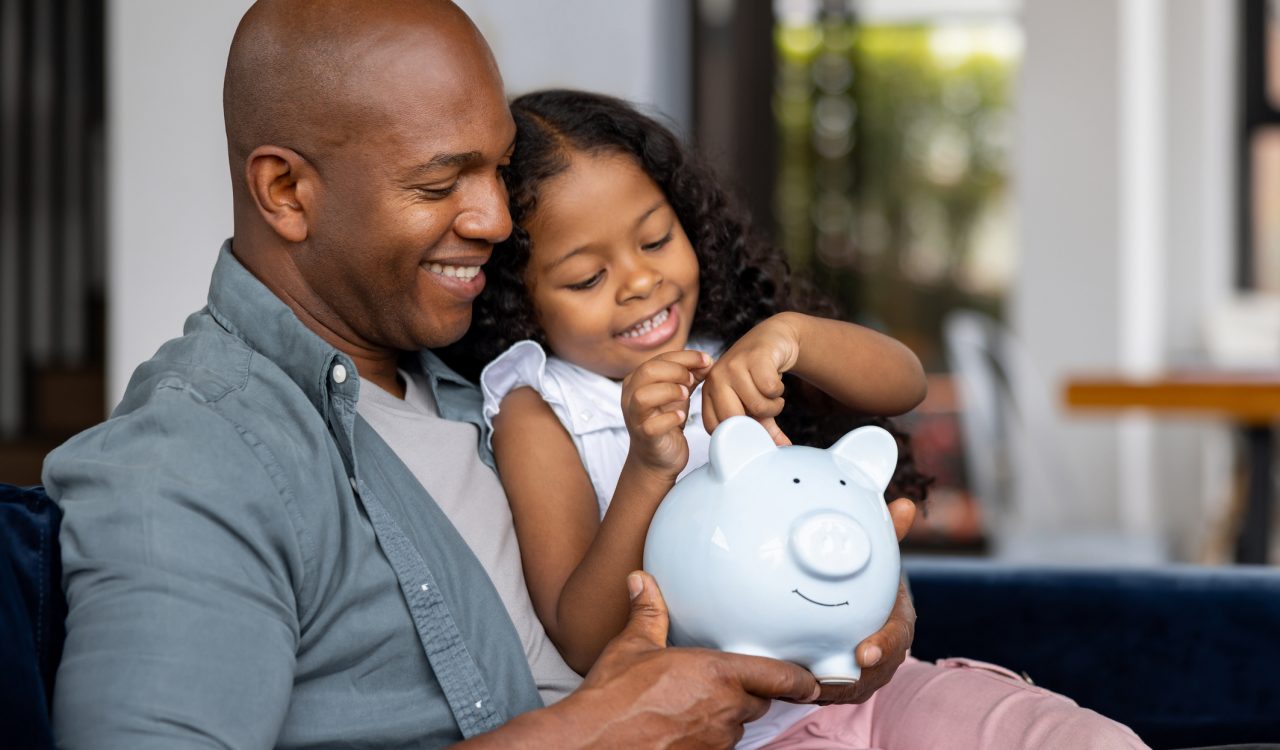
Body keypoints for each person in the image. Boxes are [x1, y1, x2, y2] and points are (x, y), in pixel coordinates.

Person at [41, 2, 915, 748]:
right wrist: (591, 735)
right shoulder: (189, 463)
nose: (498, 221)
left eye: (496, 169)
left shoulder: (483, 372)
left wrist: (851, 603)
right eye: (439, 183)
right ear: (286, 191)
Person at [444, 89, 1151, 750]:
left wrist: (794, 336)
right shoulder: (541, 408)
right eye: (587, 279)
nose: (639, 282)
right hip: (731, 730)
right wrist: (649, 465)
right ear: (519, 300)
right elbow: (583, 635)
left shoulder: (733, 344)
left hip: (872, 690)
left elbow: (901, 383)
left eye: (656, 240)